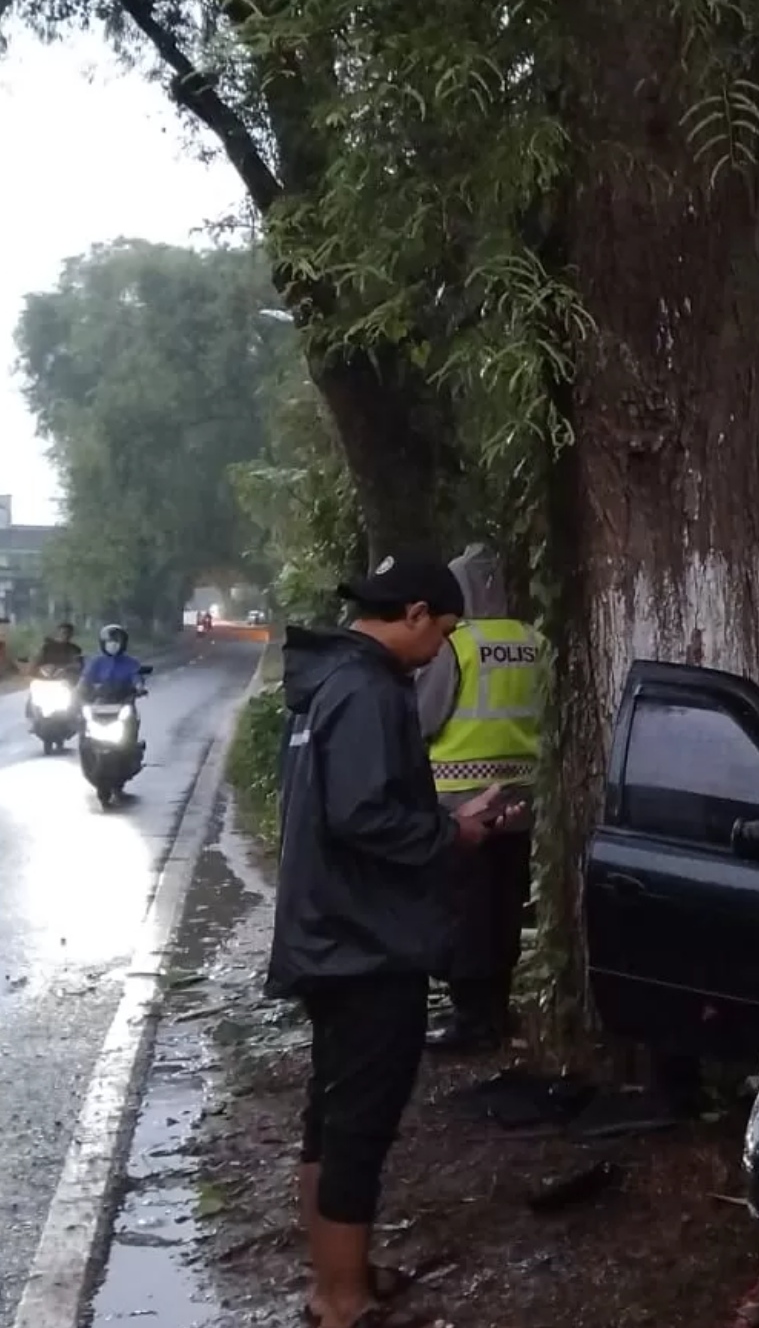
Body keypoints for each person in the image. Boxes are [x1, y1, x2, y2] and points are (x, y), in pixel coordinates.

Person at [268, 554, 519, 1328]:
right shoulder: (370, 689)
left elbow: (340, 808)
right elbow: (364, 816)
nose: (441, 649)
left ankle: (337, 1277)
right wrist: (458, 830)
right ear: (412, 613)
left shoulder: (325, 685)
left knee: (331, 1112)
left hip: (327, 932)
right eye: (441, 632)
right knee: (359, 1125)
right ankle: (340, 1301)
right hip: (365, 942)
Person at [413, 544, 545, 1055]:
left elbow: (425, 717)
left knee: (463, 913)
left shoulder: (456, 644)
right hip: (519, 802)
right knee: (504, 908)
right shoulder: (533, 640)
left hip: (458, 802)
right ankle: (496, 1007)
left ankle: (470, 1019)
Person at [80, 624, 146, 701]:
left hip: (125, 699)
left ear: (123, 643)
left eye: (116, 640)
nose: (113, 643)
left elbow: (137, 677)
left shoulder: (131, 662)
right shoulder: (96, 661)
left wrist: (139, 687)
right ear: (103, 643)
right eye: (110, 640)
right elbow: (86, 677)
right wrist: (80, 688)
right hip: (100, 699)